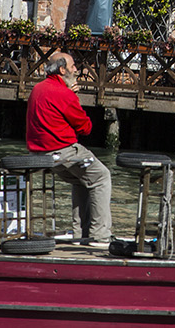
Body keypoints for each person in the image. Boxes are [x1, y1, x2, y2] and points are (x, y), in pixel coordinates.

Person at [25, 52, 113, 248]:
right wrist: (73, 96)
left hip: (39, 153)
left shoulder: (37, 89)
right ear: (62, 70)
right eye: (73, 66)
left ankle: (81, 234)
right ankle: (100, 236)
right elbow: (85, 127)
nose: (76, 70)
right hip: (62, 151)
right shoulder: (63, 93)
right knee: (101, 177)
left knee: (83, 180)